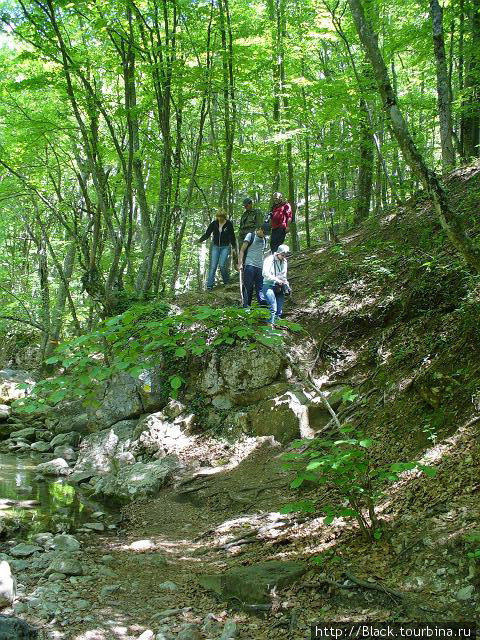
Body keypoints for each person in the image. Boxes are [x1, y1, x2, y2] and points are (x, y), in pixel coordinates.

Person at [197, 209, 237, 291]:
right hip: (215, 246)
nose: (220, 219)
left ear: (224, 217)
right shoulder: (214, 223)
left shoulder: (229, 224)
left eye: (221, 217)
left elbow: (232, 236)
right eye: (218, 217)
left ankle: (226, 281)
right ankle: (209, 286)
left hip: (225, 246)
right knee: (213, 266)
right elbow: (207, 234)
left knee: (222, 265)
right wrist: (200, 240)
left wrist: (234, 247)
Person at [237, 223, 269, 308]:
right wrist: (240, 263)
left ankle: (262, 306)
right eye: (264, 233)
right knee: (248, 286)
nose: (264, 235)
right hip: (249, 264)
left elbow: (264, 254)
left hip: (260, 266)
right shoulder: (250, 235)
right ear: (260, 229)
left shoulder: (265, 239)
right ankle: (246, 305)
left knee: (260, 287)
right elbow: (242, 250)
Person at [262, 244, 290, 326]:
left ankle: (278, 326)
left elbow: (284, 275)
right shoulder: (269, 259)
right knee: (273, 307)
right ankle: (270, 326)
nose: (284, 257)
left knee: (279, 309)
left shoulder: (284, 261)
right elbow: (265, 273)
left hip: (279, 286)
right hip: (268, 285)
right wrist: (276, 279)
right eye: (283, 255)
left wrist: (286, 283)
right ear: (278, 253)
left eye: (286, 255)